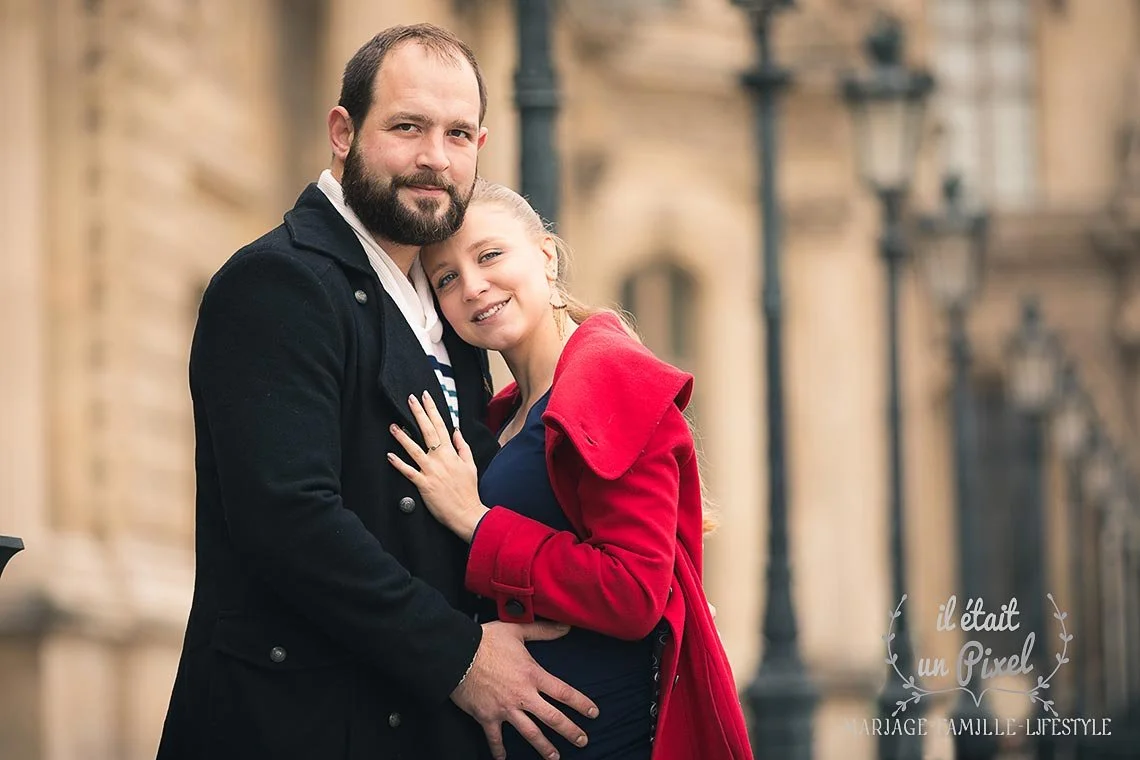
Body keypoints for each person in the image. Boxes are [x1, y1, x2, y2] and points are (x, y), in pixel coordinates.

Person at [157, 25, 599, 760]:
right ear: (343, 132)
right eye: (407, 127)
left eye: (458, 134)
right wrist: (461, 657)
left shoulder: (449, 305)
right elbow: (289, 520)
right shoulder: (277, 283)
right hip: (299, 727)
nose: (435, 157)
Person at [388, 179, 754, 760]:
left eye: (489, 255)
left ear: (546, 255)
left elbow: (634, 592)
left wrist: (476, 523)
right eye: (446, 278)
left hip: (606, 739)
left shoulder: (611, 378)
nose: (473, 285)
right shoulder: (500, 418)